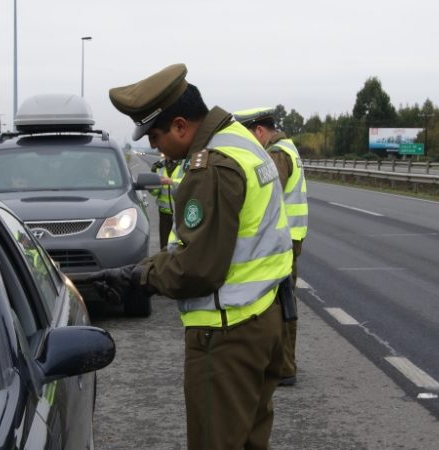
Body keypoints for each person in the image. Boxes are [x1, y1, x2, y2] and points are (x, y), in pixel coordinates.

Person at [91, 63, 293, 450]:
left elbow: (198, 269)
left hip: (227, 334)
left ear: (181, 126)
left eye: (156, 136)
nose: (155, 148)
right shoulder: (240, 140)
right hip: (262, 318)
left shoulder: (211, 168)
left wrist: (139, 277)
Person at [234, 107, 309, 387]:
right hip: (289, 236)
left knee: (279, 303)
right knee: (283, 299)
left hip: (281, 239)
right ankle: (282, 364)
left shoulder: (276, 155)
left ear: (260, 131)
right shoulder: (287, 148)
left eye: (247, 136)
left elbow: (266, 194)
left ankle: (284, 367)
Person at [148, 154, 180, 249]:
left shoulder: (185, 164)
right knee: (164, 246)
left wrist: (171, 181)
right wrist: (152, 183)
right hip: (164, 212)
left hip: (181, 212)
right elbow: (155, 193)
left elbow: (191, 183)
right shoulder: (159, 166)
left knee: (180, 245)